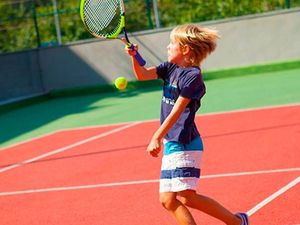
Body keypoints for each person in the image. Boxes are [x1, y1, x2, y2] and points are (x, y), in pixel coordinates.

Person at [123, 24, 249, 225]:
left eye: (172, 43)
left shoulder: (193, 76)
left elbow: (177, 111)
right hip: (172, 143)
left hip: (185, 143)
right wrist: (134, 56)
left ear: (185, 49)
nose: (168, 46)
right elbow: (143, 75)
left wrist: (156, 136)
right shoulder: (170, 68)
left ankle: (236, 222)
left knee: (186, 196)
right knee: (167, 201)